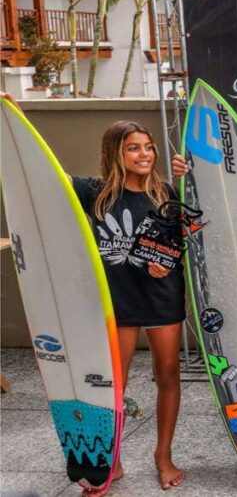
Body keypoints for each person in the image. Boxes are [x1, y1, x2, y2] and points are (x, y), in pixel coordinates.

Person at [72, 119, 189, 493]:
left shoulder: (167, 193)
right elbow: (41, 173)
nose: (144, 154)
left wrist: (165, 263)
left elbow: (180, 247)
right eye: (133, 148)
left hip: (161, 297)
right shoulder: (95, 193)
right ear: (115, 153)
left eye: (148, 146)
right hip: (118, 301)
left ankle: (164, 455)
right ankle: (111, 459)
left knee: (167, 374)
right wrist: (11, 114)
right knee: (113, 385)